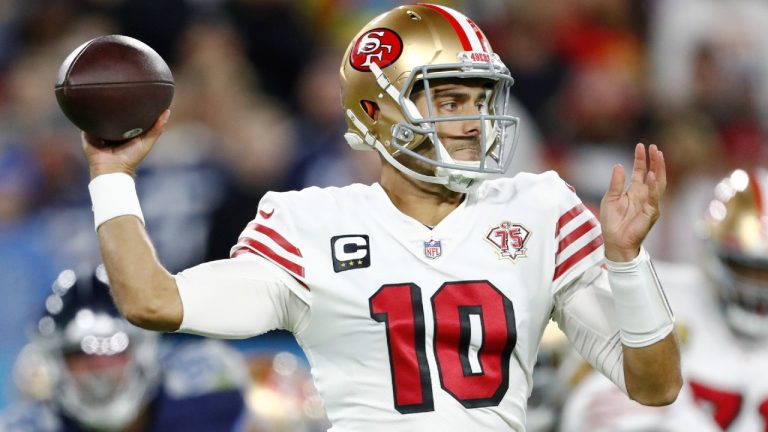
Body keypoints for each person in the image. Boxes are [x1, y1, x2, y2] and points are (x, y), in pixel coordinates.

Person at [78, 4, 681, 431]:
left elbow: (655, 386)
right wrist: (111, 177)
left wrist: (628, 263)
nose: (471, 123)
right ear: (375, 110)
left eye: (478, 100)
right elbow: (152, 302)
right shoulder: (306, 223)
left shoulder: (540, 208)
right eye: (447, 101)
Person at [559, 167, 768, 432]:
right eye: (746, 268)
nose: (759, 289)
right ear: (714, 254)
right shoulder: (657, 294)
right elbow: (589, 402)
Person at [0, 264, 250, 432]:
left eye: (114, 348)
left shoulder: (209, 393)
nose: (99, 369)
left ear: (145, 348)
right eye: (80, 354)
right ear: (54, 363)